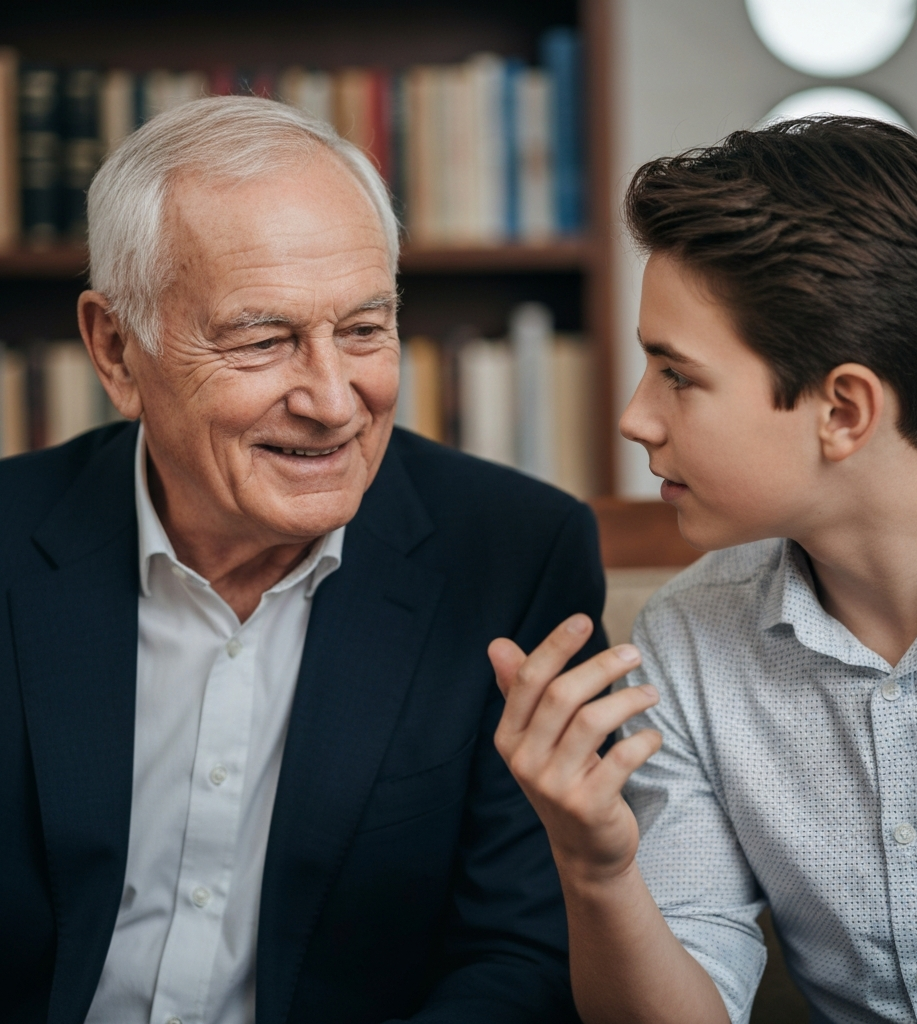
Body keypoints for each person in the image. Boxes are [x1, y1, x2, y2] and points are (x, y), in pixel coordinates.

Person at [0, 96, 606, 1024]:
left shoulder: (517, 556)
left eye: (364, 331)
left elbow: (519, 955)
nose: (333, 401)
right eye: (261, 339)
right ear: (116, 350)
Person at [490, 116, 917, 1024]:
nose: (634, 417)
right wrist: (597, 868)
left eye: (677, 375)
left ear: (844, 410)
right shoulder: (689, 637)